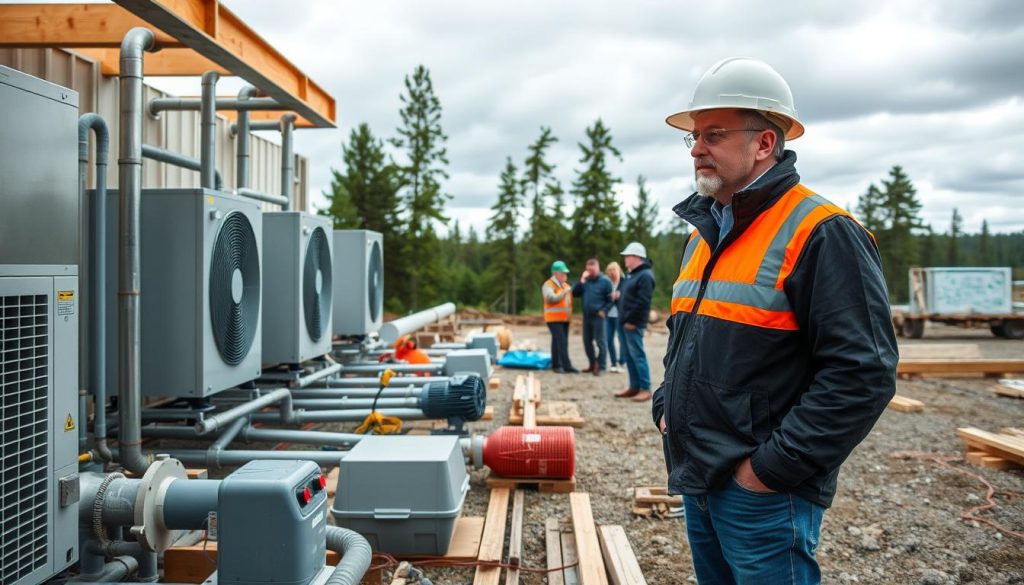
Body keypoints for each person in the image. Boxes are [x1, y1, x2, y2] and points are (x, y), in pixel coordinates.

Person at [655, 57, 897, 584]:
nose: (696, 147)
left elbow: (864, 373)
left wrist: (767, 472)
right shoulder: (702, 234)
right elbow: (685, 339)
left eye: (713, 134)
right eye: (694, 136)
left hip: (762, 494)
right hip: (700, 476)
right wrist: (665, 406)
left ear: (765, 143)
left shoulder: (822, 231)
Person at [615, 242, 654, 401]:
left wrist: (631, 320)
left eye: (627, 256)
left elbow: (643, 302)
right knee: (629, 355)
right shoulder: (632, 275)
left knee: (637, 355)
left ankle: (645, 388)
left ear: (637, 257)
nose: (625, 260)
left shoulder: (645, 276)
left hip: (633, 323)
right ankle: (634, 387)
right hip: (624, 322)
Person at [571, 258, 614, 376]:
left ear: (597, 267)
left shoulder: (605, 281)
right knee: (587, 342)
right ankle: (592, 363)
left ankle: (602, 366)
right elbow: (574, 293)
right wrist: (582, 280)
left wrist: (604, 310)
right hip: (587, 317)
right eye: (588, 269)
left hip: (599, 317)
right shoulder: (586, 281)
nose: (590, 271)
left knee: (601, 342)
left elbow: (611, 299)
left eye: (592, 268)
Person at [542, 260, 578, 374]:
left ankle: (556, 364)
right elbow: (550, 298)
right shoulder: (548, 285)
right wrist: (564, 292)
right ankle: (566, 366)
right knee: (561, 342)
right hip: (553, 319)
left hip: (564, 319)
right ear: (556, 274)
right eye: (563, 273)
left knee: (559, 342)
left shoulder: (565, 286)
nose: (565, 275)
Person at [604, 261, 626, 373]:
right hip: (609, 315)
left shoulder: (625, 281)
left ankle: (621, 362)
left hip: (620, 314)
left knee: (622, 339)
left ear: (618, 270)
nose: (612, 273)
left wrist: (619, 295)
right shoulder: (606, 283)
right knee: (608, 339)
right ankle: (613, 363)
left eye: (614, 270)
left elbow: (628, 295)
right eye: (610, 271)